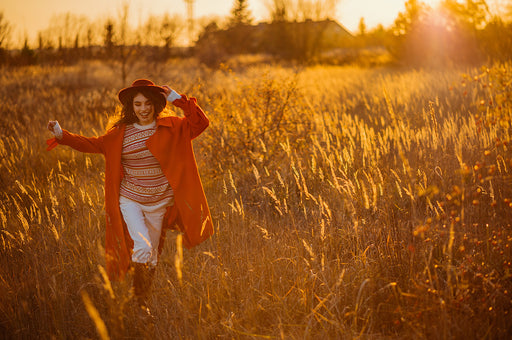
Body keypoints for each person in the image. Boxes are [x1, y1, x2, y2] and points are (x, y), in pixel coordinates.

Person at [46, 79, 214, 308]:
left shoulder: (173, 127)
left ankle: (141, 303)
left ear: (156, 104)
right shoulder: (119, 134)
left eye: (147, 103)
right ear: (131, 107)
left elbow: (200, 122)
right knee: (143, 247)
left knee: (152, 257)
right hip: (131, 200)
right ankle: (137, 301)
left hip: (160, 202)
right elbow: (91, 144)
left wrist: (177, 98)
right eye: (137, 104)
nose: (143, 109)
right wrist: (60, 133)